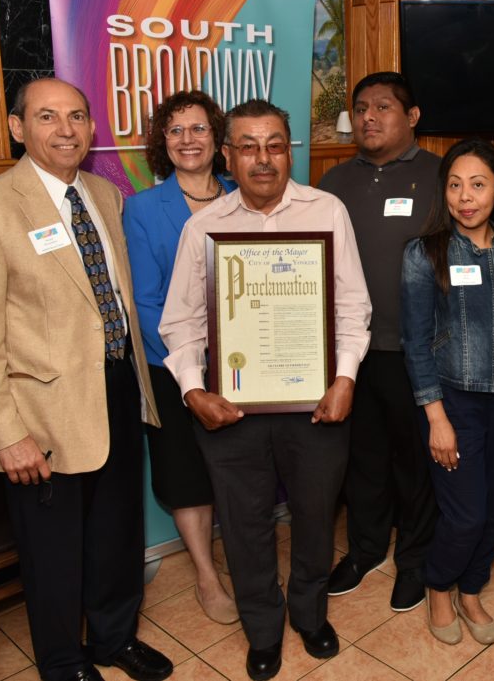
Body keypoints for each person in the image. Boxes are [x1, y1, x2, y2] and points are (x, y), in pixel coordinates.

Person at [0, 78, 173, 681]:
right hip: (41, 414)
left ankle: (114, 639)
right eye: (47, 117)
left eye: (77, 116)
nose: (66, 129)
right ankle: (64, 662)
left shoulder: (105, 194)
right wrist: (4, 434)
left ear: (91, 128)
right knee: (53, 550)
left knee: (117, 532)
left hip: (118, 388)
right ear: (18, 128)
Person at [159, 99, 371, 681]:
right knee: (244, 523)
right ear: (228, 156)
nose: (262, 158)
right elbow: (180, 323)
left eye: (274, 145)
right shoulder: (203, 227)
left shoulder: (327, 211)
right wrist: (192, 391)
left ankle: (309, 613)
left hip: (317, 402)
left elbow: (353, 306)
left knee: (315, 515)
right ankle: (261, 628)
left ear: (289, 152)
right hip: (231, 406)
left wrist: (346, 377)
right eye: (248, 146)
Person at [318, 71, 441, 612]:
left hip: (415, 350)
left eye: (383, 107)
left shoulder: (440, 175)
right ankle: (366, 549)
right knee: (361, 459)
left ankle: (414, 559)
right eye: (361, 107)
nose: (368, 116)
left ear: (412, 117)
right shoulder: (333, 183)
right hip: (350, 352)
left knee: (415, 462)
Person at [400, 139, 494, 646]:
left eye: (477, 184)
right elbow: (415, 342)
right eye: (454, 185)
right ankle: (438, 586)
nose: (465, 197)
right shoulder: (424, 253)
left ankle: (471, 590)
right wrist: (437, 418)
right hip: (453, 402)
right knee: (465, 514)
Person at [122, 90, 238, 625]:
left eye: (198, 128)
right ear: (161, 142)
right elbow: (144, 301)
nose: (188, 140)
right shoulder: (143, 209)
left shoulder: (243, 195)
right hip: (170, 367)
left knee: (239, 467)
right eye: (175, 130)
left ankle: (243, 558)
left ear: (217, 138)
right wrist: (191, 361)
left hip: (242, 363)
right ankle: (206, 576)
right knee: (185, 472)